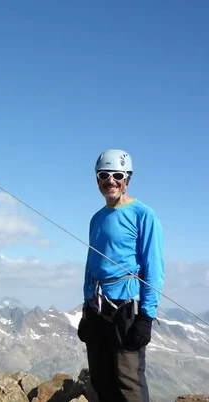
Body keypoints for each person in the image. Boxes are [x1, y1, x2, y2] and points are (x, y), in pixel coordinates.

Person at [77, 149, 164, 402]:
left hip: (128, 309)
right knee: (101, 379)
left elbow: (154, 269)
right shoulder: (97, 219)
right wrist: (86, 308)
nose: (110, 181)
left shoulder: (144, 215)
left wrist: (146, 317)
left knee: (129, 382)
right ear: (97, 179)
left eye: (117, 175)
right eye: (104, 175)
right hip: (97, 307)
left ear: (127, 178)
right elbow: (91, 265)